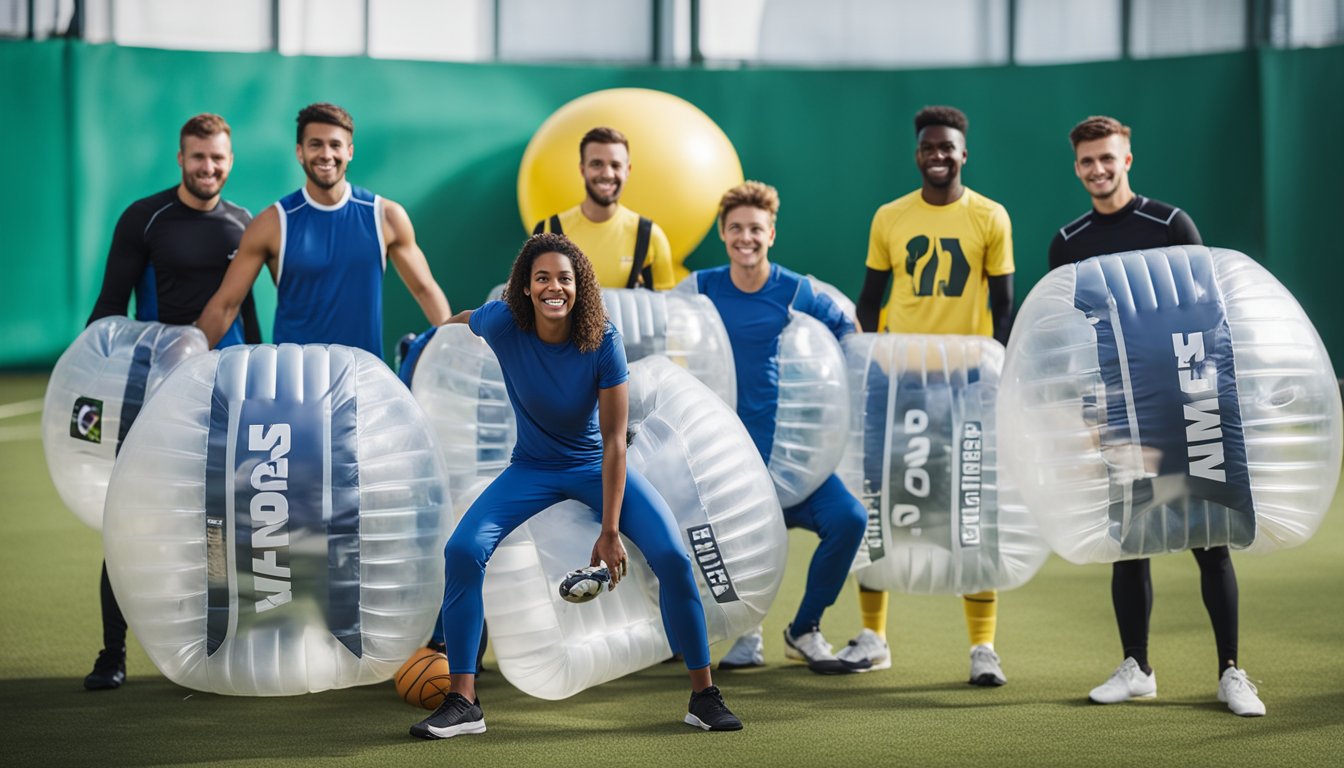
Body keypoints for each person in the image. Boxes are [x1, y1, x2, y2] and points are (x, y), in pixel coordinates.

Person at [410, 233, 742, 739]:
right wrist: (434, 335)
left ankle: (704, 695)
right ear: (525, 287)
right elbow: (464, 320)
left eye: (564, 278)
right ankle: (464, 702)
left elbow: (614, 441)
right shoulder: (501, 321)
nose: (553, 288)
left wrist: (609, 531)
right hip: (531, 468)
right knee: (462, 549)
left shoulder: (602, 339)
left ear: (578, 285)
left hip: (595, 464)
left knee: (673, 557)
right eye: (542, 278)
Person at [1049, 115, 1264, 717]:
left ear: (1127, 158)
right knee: (1131, 543)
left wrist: (1211, 402)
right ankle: (1138, 667)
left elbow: (1209, 315)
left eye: (1107, 158)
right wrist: (1089, 418)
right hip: (1120, 415)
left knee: (1210, 541)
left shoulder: (1170, 224)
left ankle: (1231, 672)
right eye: (1087, 161)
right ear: (1077, 167)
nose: (1098, 169)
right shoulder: (1068, 241)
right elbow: (1072, 340)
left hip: (1186, 403)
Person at [82, 113, 262, 690]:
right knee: (130, 521)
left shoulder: (243, 223)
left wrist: (262, 377)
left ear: (230, 161)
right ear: (181, 159)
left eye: (218, 158)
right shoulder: (145, 217)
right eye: (197, 157)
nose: (208, 168)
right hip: (153, 394)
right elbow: (107, 313)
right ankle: (112, 653)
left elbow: (248, 315)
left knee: (223, 524)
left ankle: (213, 646)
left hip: (226, 397)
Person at [846, 105, 1015, 686]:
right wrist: (869, 360)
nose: (938, 156)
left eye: (948, 147)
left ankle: (982, 647)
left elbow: (1003, 307)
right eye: (928, 147)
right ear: (917, 154)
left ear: (963, 153)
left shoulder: (991, 217)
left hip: (966, 380)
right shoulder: (890, 216)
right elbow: (868, 300)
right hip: (899, 377)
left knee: (974, 507)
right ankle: (873, 635)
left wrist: (998, 374)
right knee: (878, 502)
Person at [686, 182, 868, 674]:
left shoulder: (793, 289)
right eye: (737, 229)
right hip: (725, 463)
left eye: (756, 229)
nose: (747, 237)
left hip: (790, 463)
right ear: (724, 234)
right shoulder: (700, 288)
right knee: (736, 544)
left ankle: (804, 628)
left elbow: (848, 331)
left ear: (771, 233)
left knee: (848, 519)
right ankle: (747, 635)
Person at [195, 102, 450, 356]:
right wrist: (185, 363)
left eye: (335, 145)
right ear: (299, 152)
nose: (326, 154)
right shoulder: (272, 223)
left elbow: (425, 289)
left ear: (350, 151)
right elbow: (226, 305)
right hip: (292, 381)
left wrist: (452, 345)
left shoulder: (386, 217)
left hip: (362, 380)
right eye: (315, 144)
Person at [531, 126, 675, 291]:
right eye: (597, 164)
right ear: (582, 169)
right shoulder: (548, 231)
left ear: (627, 171)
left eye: (615, 165)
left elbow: (664, 307)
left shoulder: (649, 236)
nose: (607, 173)